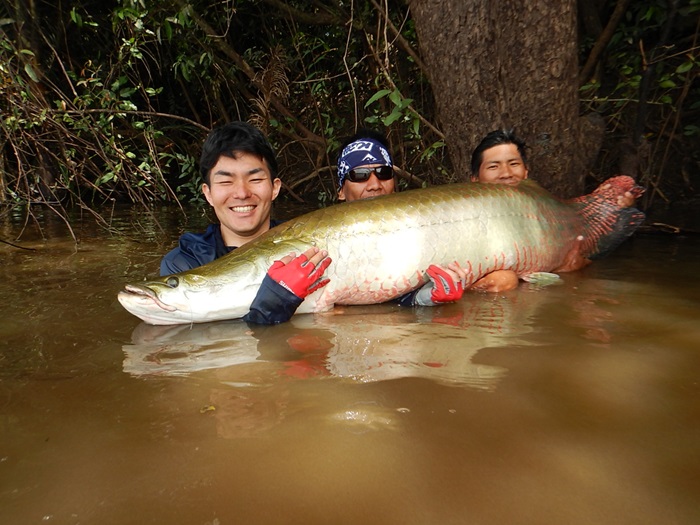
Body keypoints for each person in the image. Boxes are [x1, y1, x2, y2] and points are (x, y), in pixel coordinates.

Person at [160, 121, 331, 324]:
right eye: (225, 182)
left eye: (255, 180)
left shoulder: (312, 246)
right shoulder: (185, 262)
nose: (242, 193)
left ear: (274, 188)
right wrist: (274, 303)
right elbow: (190, 343)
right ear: (208, 194)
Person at [335, 129, 467, 306]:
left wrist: (425, 297)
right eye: (360, 175)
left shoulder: (419, 229)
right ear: (341, 191)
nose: (375, 185)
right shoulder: (325, 241)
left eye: (383, 173)